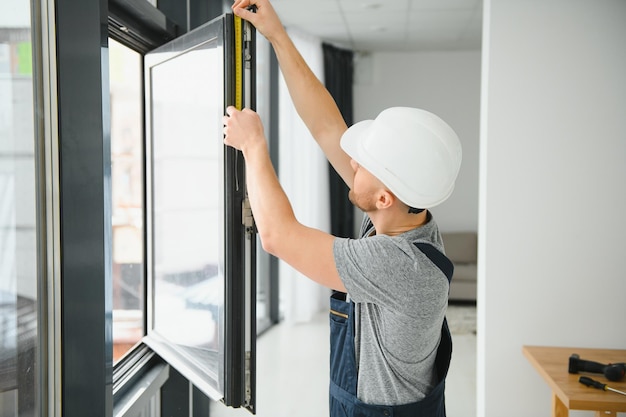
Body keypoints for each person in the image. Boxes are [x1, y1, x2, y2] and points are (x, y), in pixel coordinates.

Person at [224, 1, 462, 415]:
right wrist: (278, 35)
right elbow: (327, 126)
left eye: (363, 163)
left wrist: (254, 147)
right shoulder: (409, 217)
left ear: (385, 197)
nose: (351, 161)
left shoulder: (397, 264)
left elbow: (278, 237)